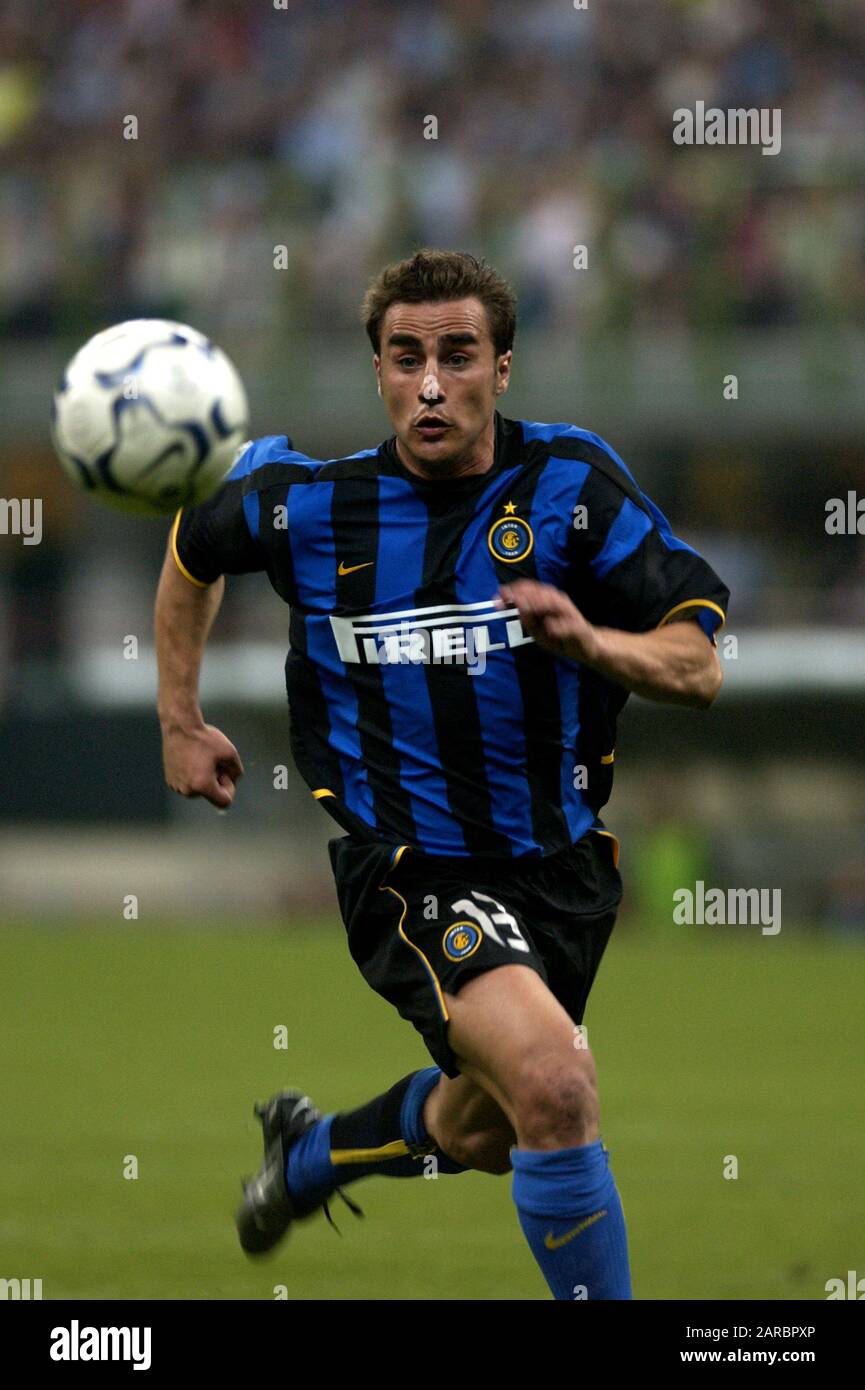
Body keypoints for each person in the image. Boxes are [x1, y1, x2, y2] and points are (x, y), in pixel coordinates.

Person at [155, 249, 729, 1300]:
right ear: (376, 371)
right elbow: (195, 538)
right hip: (409, 868)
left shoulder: (571, 489)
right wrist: (179, 718)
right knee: (556, 1084)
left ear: (501, 368)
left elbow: (697, 663)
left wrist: (596, 646)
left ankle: (310, 1156)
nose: (429, 383)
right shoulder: (310, 504)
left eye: (457, 355)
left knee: (489, 1127)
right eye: (404, 356)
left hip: (559, 870)